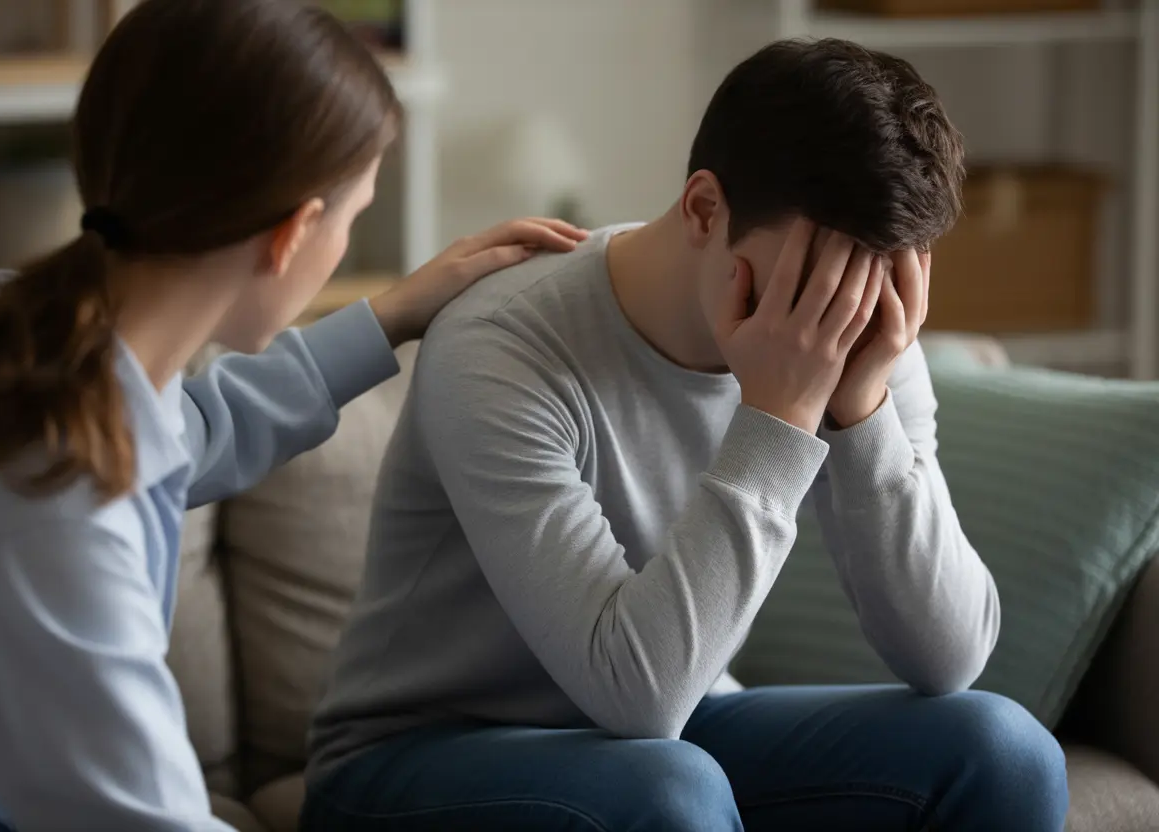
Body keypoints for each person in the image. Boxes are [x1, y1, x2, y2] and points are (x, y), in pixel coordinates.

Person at [304, 38, 1068, 832]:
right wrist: (777, 419)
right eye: (813, 288)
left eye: (872, 290)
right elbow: (640, 697)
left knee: (1001, 748)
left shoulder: (864, 334)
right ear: (706, 210)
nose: (836, 327)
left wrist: (864, 408)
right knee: (670, 791)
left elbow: (949, 657)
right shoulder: (500, 345)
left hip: (674, 729)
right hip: (413, 758)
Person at [0, 2, 588, 830]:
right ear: (294, 233)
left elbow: (187, 428)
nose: (345, 238)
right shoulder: (54, 527)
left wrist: (388, 316)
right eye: (353, 216)